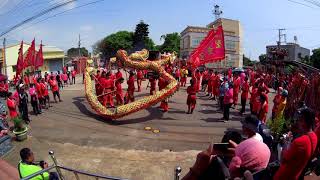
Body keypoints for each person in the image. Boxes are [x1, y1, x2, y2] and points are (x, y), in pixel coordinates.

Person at [274, 106, 318, 180]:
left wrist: (285, 143)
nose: (297, 121)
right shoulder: (314, 137)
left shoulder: (299, 142)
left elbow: (283, 159)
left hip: (284, 176)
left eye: (299, 119)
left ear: (303, 121)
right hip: (296, 174)